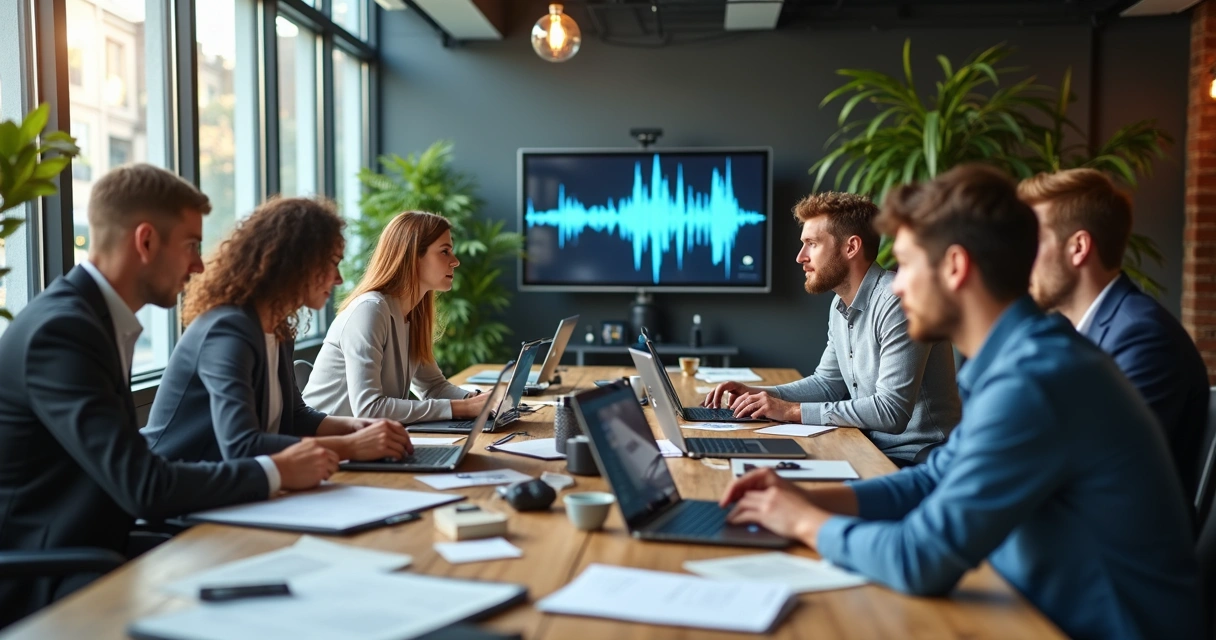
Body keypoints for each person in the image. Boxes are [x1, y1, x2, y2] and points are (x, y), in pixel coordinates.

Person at [720, 164, 1202, 639]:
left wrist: (803, 521)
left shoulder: (1034, 379)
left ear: (955, 266)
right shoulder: (1015, 357)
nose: (897, 284)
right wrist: (808, 498)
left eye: (907, 264)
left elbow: (920, 559)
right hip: (1038, 608)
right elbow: (933, 478)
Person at [0, 165, 336, 626]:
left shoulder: (93, 320)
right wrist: (276, 470)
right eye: (192, 245)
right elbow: (144, 488)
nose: (200, 265)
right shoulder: (63, 331)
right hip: (53, 576)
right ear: (145, 241)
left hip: (100, 549)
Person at [142, 197, 414, 464]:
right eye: (332, 262)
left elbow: (295, 417)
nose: (339, 278)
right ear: (295, 262)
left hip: (240, 487)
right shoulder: (227, 329)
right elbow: (241, 445)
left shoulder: (279, 328)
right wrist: (350, 446)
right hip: (180, 489)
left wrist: (357, 428)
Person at [703, 192, 960, 465]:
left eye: (812, 244)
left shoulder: (897, 302)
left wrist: (791, 411)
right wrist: (764, 396)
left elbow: (890, 412)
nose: (800, 257)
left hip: (920, 458)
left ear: (851, 247)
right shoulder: (840, 304)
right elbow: (827, 384)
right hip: (869, 446)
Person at [1021, 168, 1209, 503]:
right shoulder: (1072, 333)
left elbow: (1098, 469)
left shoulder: (1143, 336)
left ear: (1078, 247)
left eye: (1032, 241)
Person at [302, 211, 489, 423]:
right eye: (445, 252)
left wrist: (478, 400)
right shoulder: (370, 310)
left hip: (370, 443)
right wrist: (461, 408)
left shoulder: (413, 313)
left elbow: (433, 386)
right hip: (328, 446)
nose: (455, 261)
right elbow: (369, 409)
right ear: (412, 257)